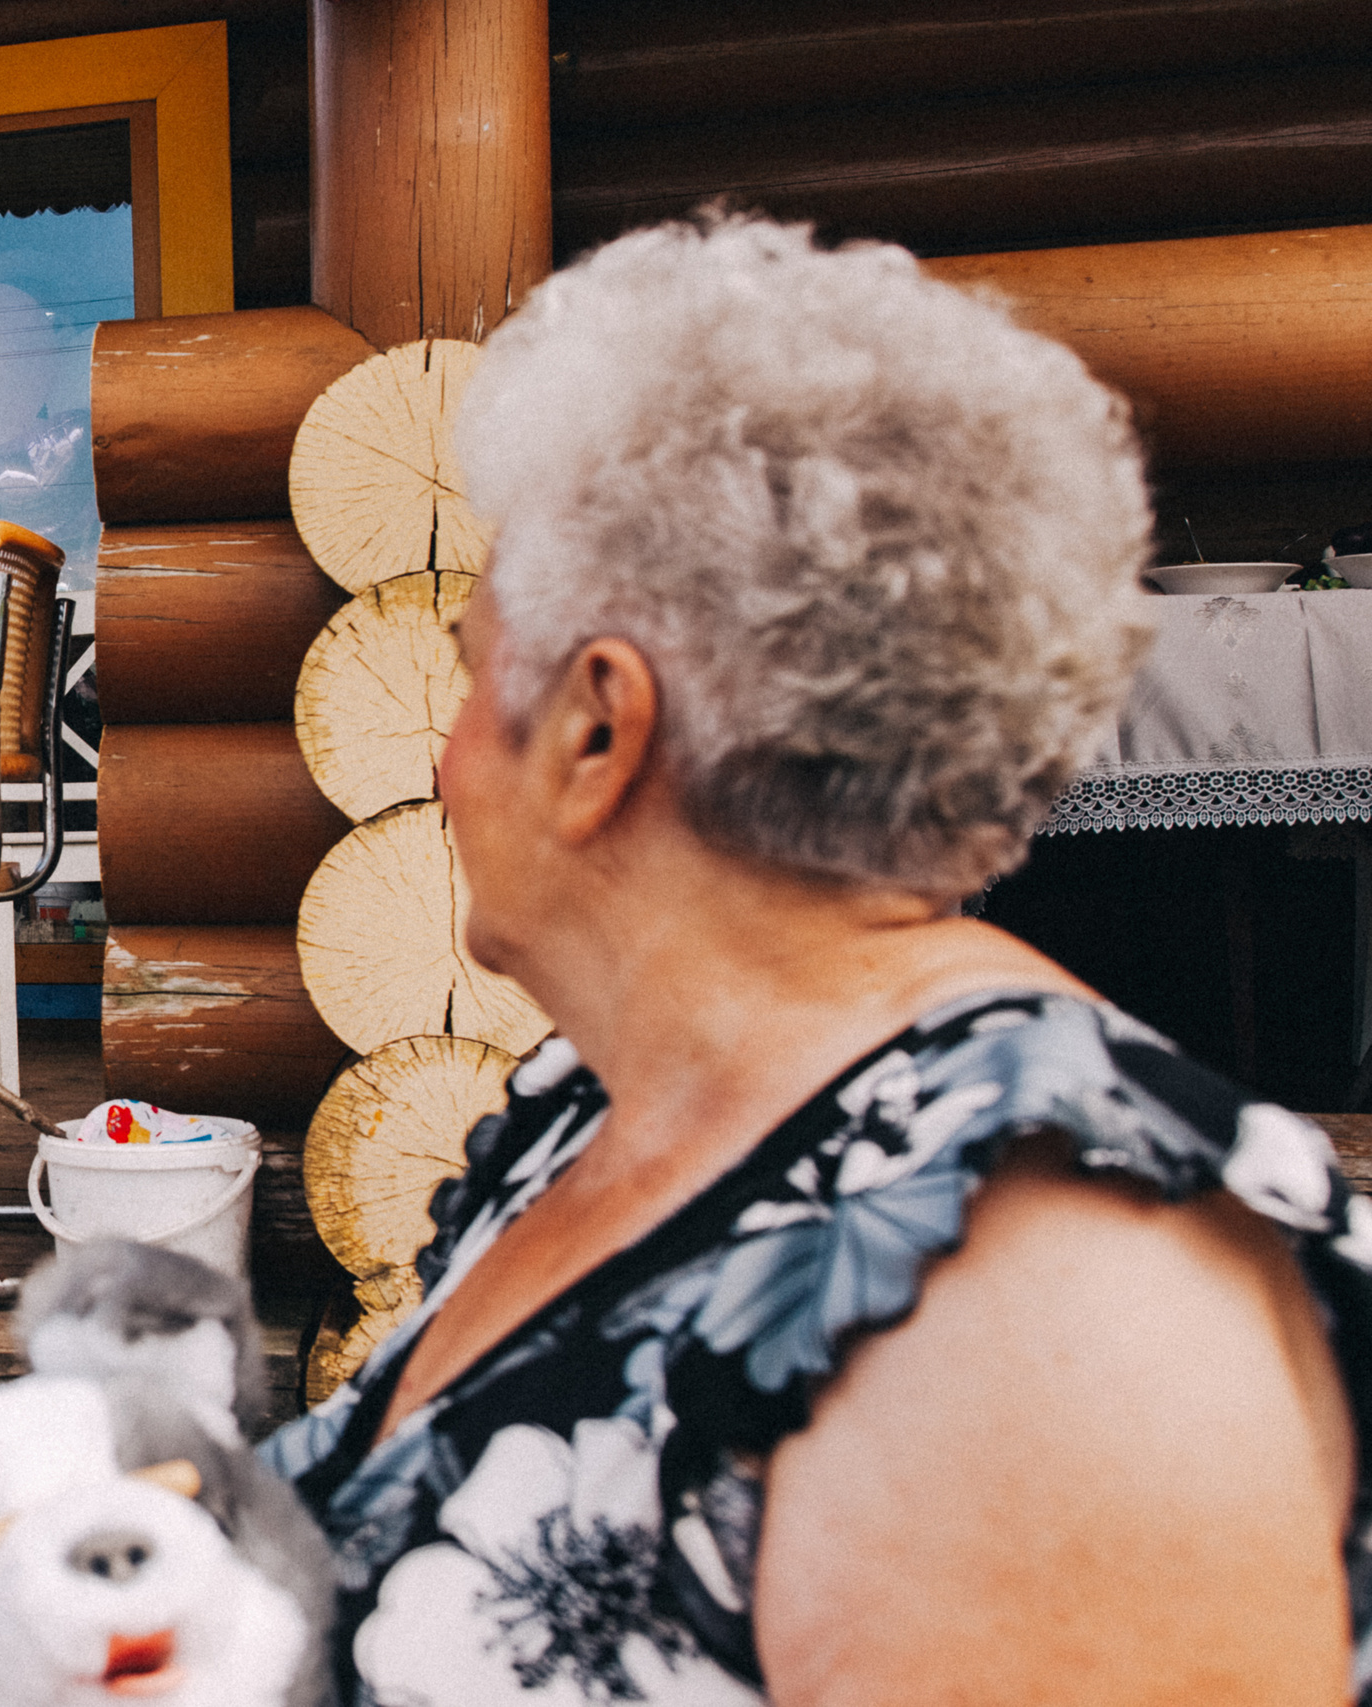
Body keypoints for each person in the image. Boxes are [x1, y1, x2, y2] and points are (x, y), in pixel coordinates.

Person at [264, 214, 1372, 1706]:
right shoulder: (587, 1100)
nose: (445, 760)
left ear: (598, 728)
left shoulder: (1058, 1292)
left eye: (466, 674)